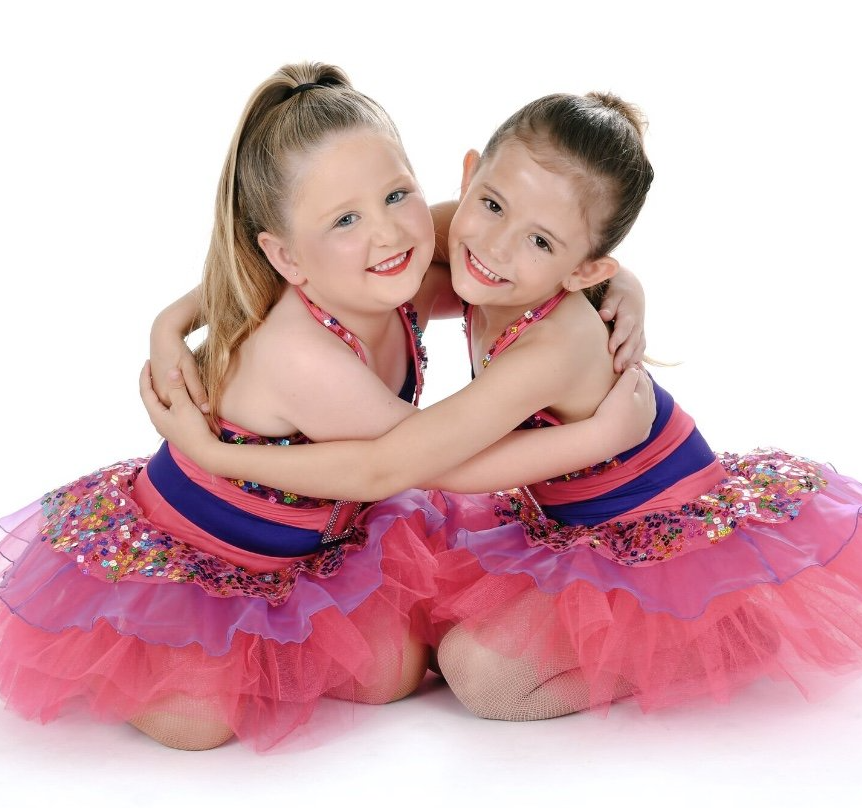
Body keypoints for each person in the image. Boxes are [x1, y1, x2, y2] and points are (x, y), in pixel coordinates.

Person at [143, 89, 862, 724]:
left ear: (584, 267)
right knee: (357, 674)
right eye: (488, 205)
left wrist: (609, 394)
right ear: (468, 180)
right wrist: (175, 321)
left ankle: (713, 630)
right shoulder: (447, 253)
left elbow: (422, 461)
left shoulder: (535, 326)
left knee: (483, 679)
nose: (489, 246)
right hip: (528, 517)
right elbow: (329, 268)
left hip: (651, 526)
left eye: (540, 241)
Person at [0, 63, 652, 754]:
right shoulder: (304, 355)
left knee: (393, 674)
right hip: (206, 556)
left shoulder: (405, 259)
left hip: (315, 545)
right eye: (345, 218)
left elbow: (535, 247)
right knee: (196, 725)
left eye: (397, 193)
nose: (387, 232)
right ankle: (146, 653)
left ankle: (281, 637)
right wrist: (604, 436)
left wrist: (625, 284)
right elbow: (407, 464)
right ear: (287, 257)